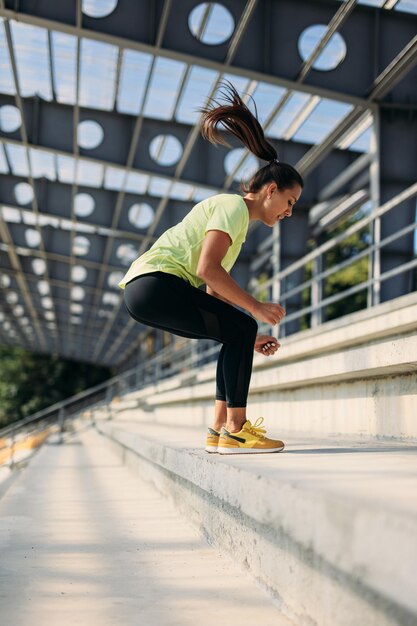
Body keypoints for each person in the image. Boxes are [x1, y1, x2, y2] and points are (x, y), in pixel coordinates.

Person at [119, 82, 303, 454]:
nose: (289, 211)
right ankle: (236, 428)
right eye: (289, 200)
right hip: (156, 282)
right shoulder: (232, 208)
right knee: (244, 323)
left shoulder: (237, 227)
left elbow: (213, 293)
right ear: (270, 191)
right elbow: (207, 269)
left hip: (145, 293)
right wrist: (256, 308)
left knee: (237, 332)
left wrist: (246, 336)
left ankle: (220, 429)